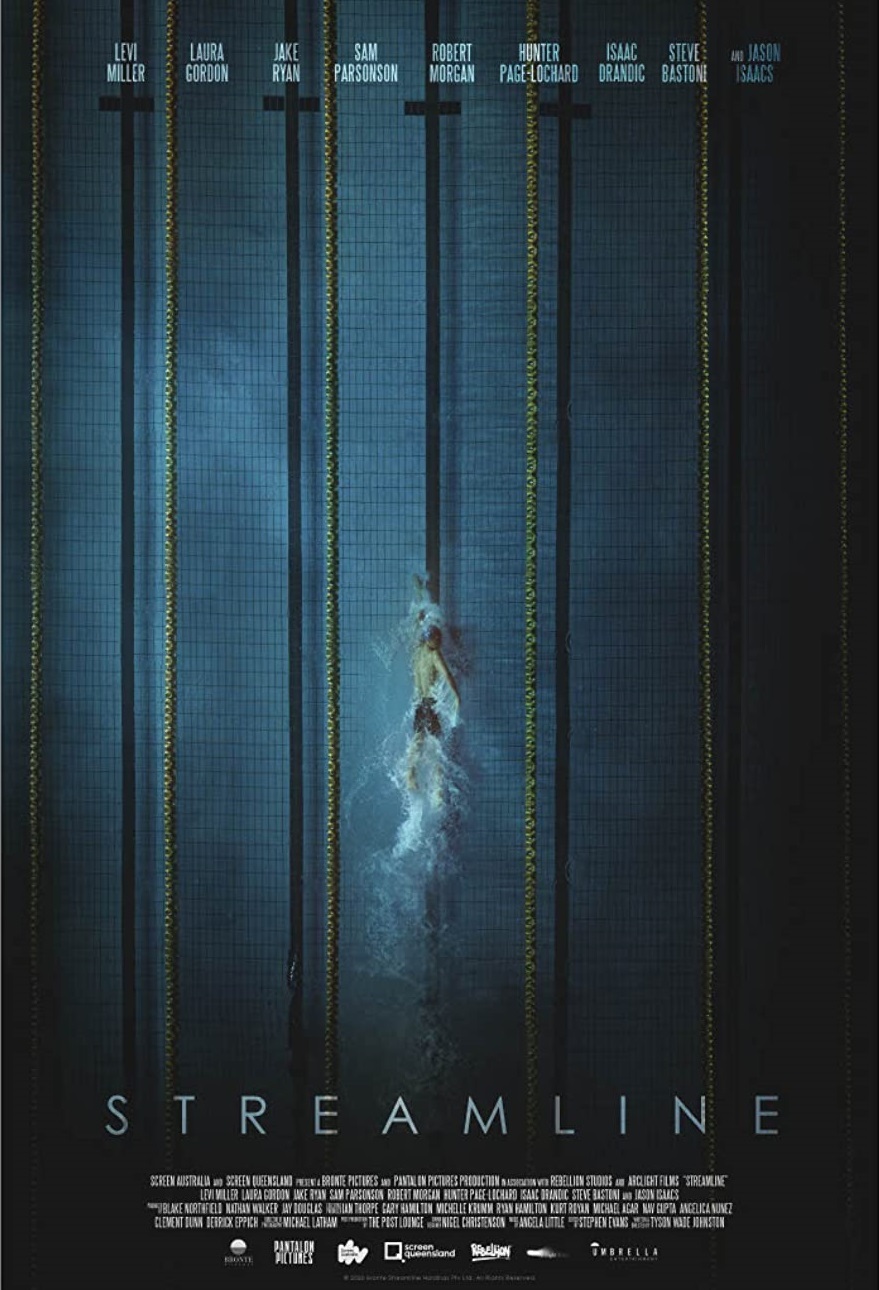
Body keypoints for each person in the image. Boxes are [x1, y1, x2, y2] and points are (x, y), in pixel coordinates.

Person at [406, 602, 460, 803]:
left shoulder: (418, 652)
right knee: (437, 746)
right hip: (430, 704)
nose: (442, 642)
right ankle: (438, 791)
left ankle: (410, 774)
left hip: (419, 705)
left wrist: (419, 617)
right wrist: (457, 696)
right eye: (439, 639)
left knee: (418, 739)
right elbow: (447, 675)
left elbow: (417, 632)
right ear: (433, 639)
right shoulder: (434, 654)